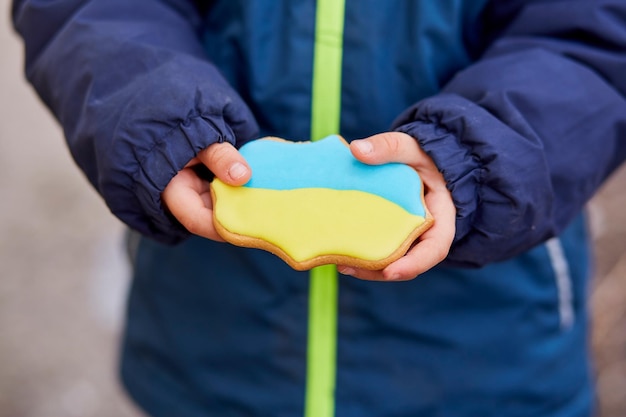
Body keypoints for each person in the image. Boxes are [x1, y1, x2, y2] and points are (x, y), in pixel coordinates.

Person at [11, 0, 626, 416]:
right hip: (212, 351)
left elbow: (597, 32)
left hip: (487, 363)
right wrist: (156, 116)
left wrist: (478, 157)